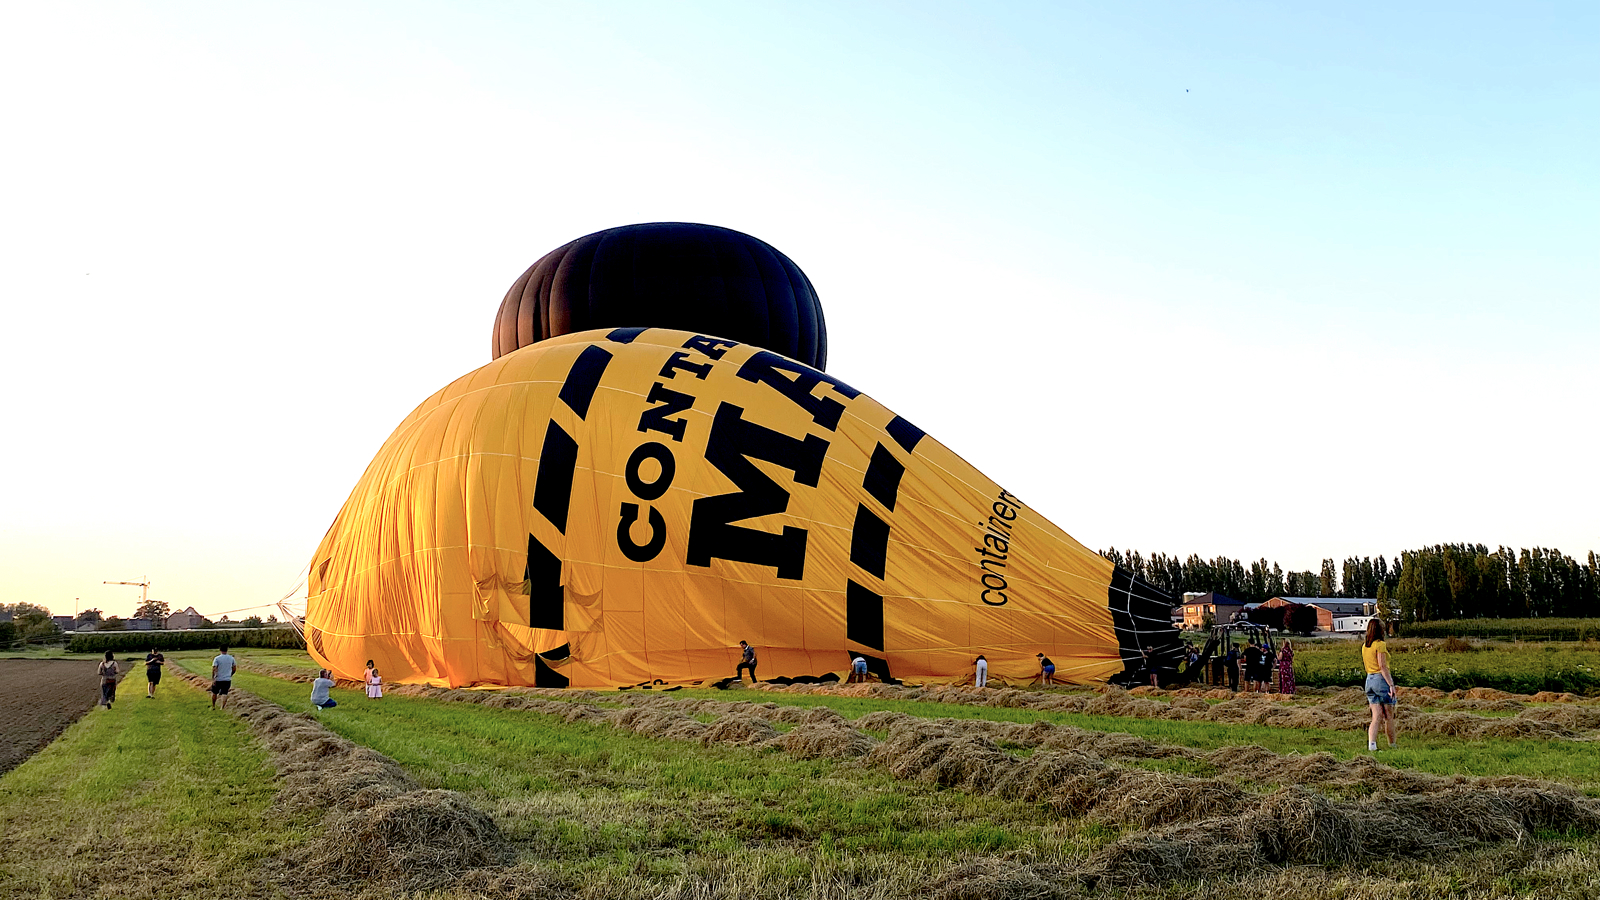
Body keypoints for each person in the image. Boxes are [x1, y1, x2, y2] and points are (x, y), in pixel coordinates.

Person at [1363, 620, 1398, 751]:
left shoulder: (1365, 646)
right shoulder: (1380, 645)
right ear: (1380, 630)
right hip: (1380, 680)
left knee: (1376, 715)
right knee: (1389, 715)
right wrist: (1391, 685)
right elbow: (1382, 667)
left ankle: (1372, 745)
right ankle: (1392, 744)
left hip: (1369, 680)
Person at [211, 645, 237, 710]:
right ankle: (222, 708)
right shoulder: (231, 658)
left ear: (220, 650)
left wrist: (213, 678)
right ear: (227, 650)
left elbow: (214, 668)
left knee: (214, 692)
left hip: (218, 679)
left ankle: (213, 706)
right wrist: (230, 674)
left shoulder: (217, 658)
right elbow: (234, 668)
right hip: (227, 679)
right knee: (224, 693)